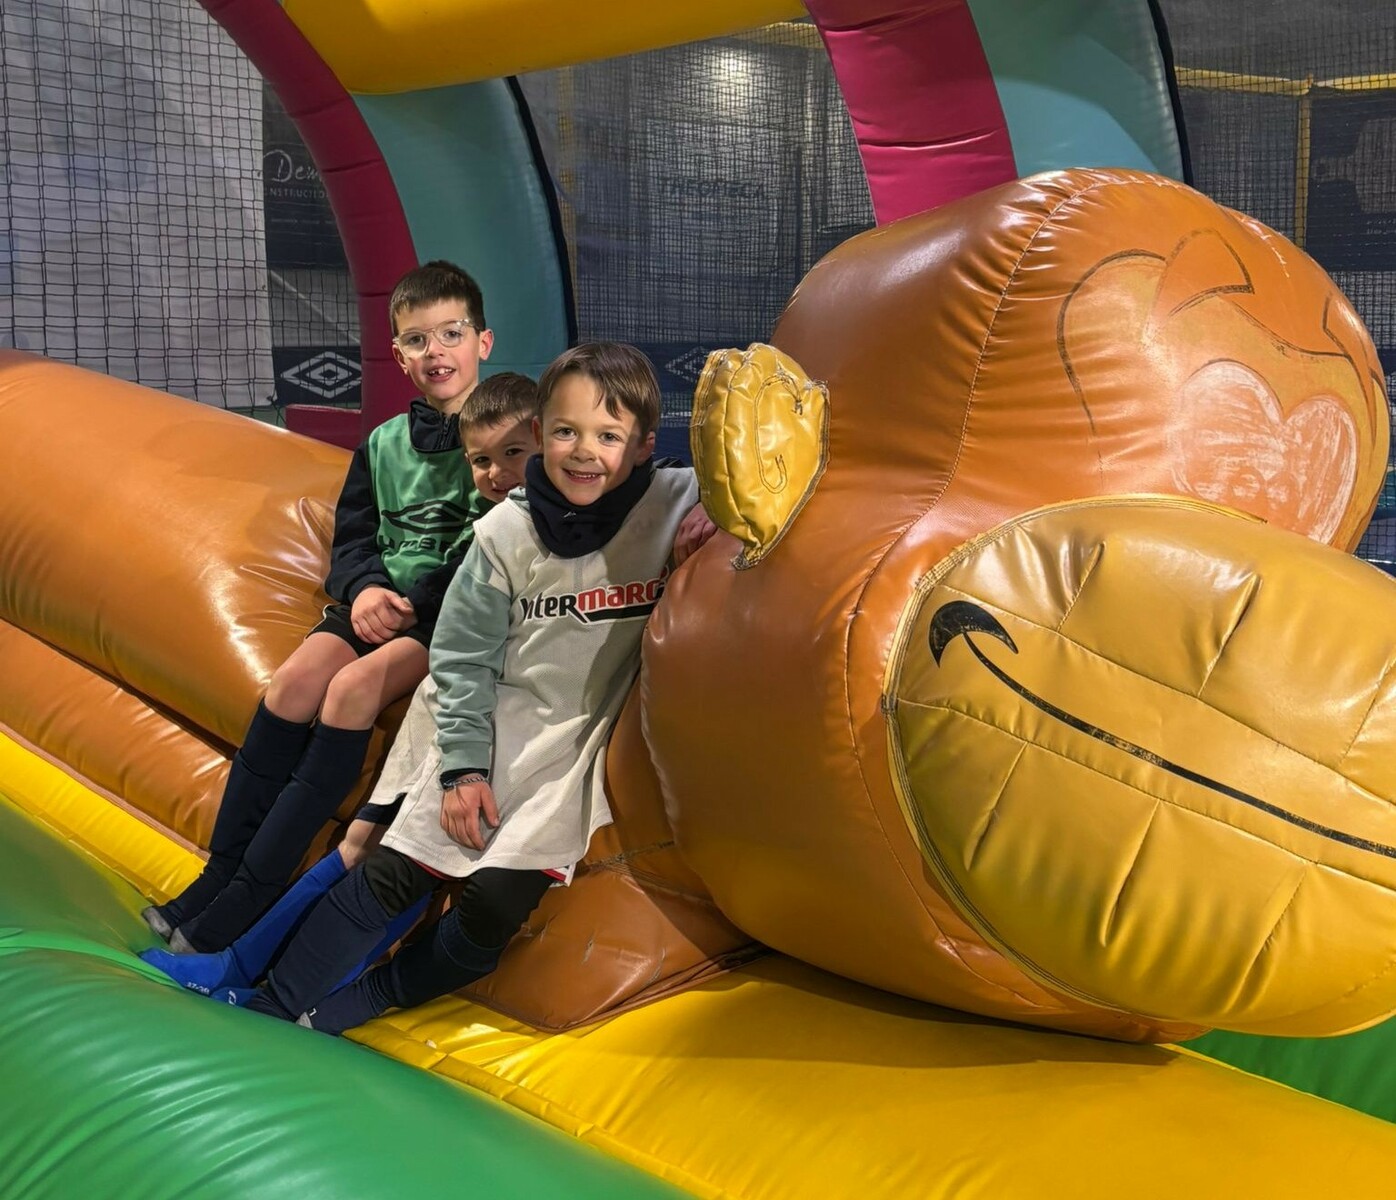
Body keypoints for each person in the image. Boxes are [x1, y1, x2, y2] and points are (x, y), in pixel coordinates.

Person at [240, 341, 706, 1034]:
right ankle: (269, 1008)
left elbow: (771, 486)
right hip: (490, 726)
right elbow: (460, 659)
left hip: (574, 751)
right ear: (542, 433)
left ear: (641, 446)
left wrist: (718, 522)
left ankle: (367, 999)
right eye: (566, 431)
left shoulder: (677, 500)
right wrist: (462, 770)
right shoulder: (504, 532)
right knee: (398, 868)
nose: (584, 452)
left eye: (608, 436)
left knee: (493, 902)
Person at [140, 370, 543, 995]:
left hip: (440, 638)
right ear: (398, 354)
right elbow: (356, 538)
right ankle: (225, 883)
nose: (495, 471)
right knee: (294, 686)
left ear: (482, 343)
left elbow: (469, 587)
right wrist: (363, 590)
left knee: (364, 803)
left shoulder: (516, 505)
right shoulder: (398, 452)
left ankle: (259, 937)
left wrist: (408, 605)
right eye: (416, 340)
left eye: (450, 336)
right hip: (397, 618)